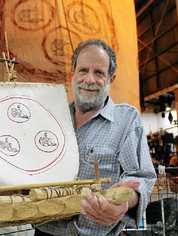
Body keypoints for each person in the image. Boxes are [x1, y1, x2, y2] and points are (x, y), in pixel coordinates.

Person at [35, 39, 157, 235]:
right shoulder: (54, 120)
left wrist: (125, 202)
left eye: (99, 73)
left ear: (111, 78)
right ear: (72, 75)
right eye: (83, 70)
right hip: (45, 231)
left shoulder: (125, 119)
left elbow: (140, 177)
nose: (89, 79)